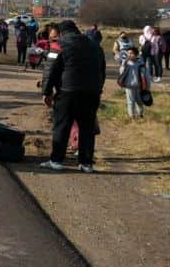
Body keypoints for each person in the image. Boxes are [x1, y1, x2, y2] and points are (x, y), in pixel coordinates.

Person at [40, 21, 107, 173]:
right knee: (87, 128)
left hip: (68, 91)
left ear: (62, 32)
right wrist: (98, 90)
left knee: (62, 126)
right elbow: (102, 72)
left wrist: (46, 92)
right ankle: (86, 164)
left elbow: (49, 70)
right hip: (92, 93)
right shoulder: (96, 47)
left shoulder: (58, 45)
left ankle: (56, 161)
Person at [119, 49, 151, 119]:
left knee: (139, 101)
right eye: (128, 53)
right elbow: (121, 73)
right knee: (131, 102)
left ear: (136, 55)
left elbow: (147, 76)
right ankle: (132, 116)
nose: (129, 55)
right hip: (129, 86)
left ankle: (140, 114)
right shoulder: (126, 64)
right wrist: (123, 65)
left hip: (139, 86)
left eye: (131, 53)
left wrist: (148, 87)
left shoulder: (141, 64)